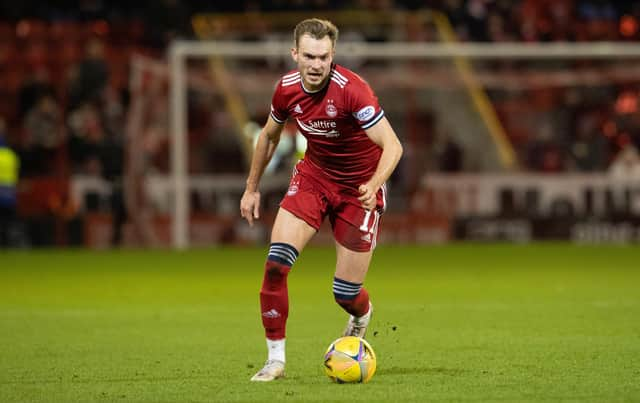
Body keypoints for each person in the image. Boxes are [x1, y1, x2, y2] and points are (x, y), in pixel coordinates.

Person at [240, 18, 403, 382]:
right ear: (295, 54)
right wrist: (252, 187)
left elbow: (393, 145)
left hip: (359, 188)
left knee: (345, 292)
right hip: (313, 178)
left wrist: (375, 182)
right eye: (309, 56)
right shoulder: (285, 89)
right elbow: (268, 136)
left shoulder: (353, 91)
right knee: (275, 265)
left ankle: (361, 314)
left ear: (333, 56)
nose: (316, 65)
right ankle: (275, 361)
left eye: (324, 57)